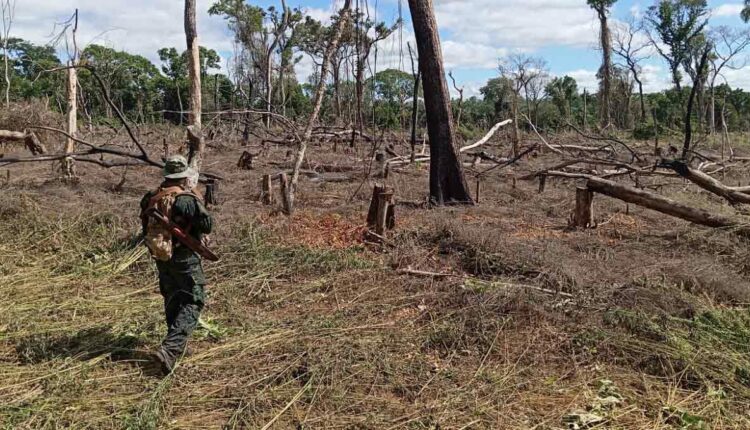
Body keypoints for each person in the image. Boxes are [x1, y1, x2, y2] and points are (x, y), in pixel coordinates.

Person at [140, 155, 213, 374]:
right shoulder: (186, 199)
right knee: (194, 300)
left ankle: (173, 346)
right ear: (183, 177)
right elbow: (207, 225)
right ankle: (170, 349)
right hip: (185, 257)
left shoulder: (150, 197)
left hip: (161, 256)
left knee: (173, 298)